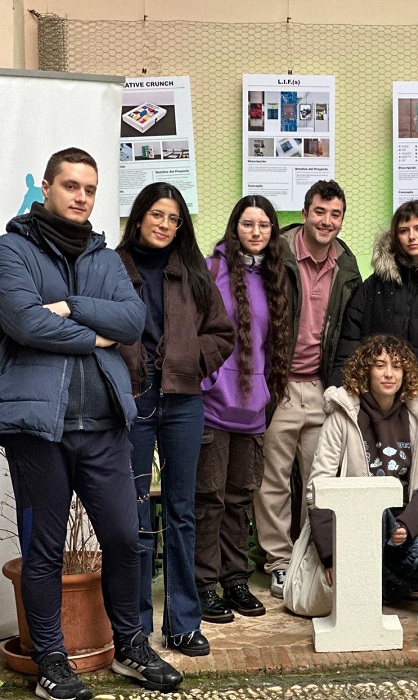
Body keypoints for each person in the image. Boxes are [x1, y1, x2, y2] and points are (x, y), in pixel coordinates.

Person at [0, 148, 183, 698]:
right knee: (45, 551)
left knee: (126, 541)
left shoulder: (105, 257)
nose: (81, 197)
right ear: (47, 189)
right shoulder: (12, 250)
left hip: (103, 424)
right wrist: (93, 333)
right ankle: (51, 659)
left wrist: (70, 306)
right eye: (71, 186)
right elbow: (23, 322)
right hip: (39, 430)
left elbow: (132, 320)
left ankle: (130, 646)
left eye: (90, 189)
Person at [117, 182, 234, 656]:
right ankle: (136, 624)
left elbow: (222, 334)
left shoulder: (194, 273)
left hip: (184, 402)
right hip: (134, 400)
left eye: (174, 218)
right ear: (140, 215)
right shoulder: (113, 266)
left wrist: (189, 360)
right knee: (135, 513)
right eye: (157, 215)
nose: (165, 225)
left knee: (183, 512)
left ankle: (184, 621)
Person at [329, 200, 418, 544]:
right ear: (394, 236)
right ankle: (379, 555)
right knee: (384, 476)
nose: (411, 237)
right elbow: (352, 340)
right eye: (404, 230)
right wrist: (342, 394)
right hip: (379, 407)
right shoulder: (376, 284)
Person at [256, 180, 361, 599]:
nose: (327, 221)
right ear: (305, 212)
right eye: (320, 211)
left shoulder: (347, 267)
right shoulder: (275, 255)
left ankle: (310, 555)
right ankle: (279, 563)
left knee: (319, 481)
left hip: (321, 387)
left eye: (335, 214)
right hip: (279, 385)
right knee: (273, 481)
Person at [194, 195, 293, 624]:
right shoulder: (211, 270)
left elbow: (273, 345)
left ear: (272, 232)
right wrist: (207, 383)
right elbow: (193, 333)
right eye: (248, 224)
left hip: (252, 411)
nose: (255, 232)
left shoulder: (276, 278)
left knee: (239, 500)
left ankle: (235, 580)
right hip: (213, 407)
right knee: (208, 499)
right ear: (235, 228)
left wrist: (268, 394)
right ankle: (203, 585)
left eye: (264, 225)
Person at [308, 334, 418, 603]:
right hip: (356, 520)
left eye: (397, 366)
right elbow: (318, 487)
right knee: (377, 500)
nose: (389, 374)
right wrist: (330, 557)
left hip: (401, 520)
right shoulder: (343, 416)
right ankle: (384, 585)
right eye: (380, 365)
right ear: (365, 370)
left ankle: (370, 586)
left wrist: (408, 525)